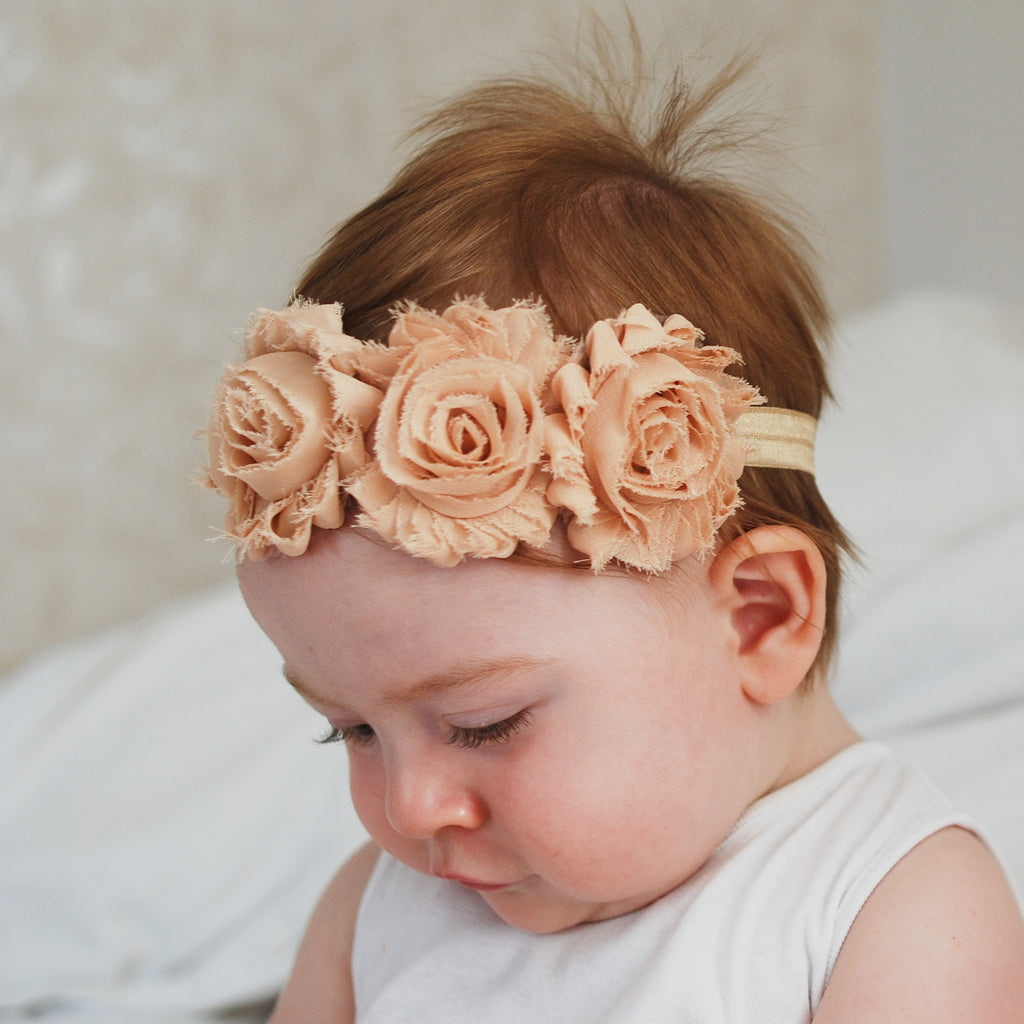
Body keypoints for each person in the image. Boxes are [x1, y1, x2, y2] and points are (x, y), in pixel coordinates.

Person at [203, 46, 1024, 1024]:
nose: (411, 810)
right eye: (354, 730)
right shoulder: (370, 914)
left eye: (483, 723)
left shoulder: (893, 908)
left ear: (760, 617)